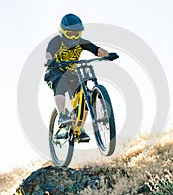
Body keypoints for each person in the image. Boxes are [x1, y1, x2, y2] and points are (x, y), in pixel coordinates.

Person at [44, 13, 118, 142]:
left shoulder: (81, 42)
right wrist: (51, 61)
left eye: (77, 34)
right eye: (70, 34)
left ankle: (78, 129)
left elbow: (96, 50)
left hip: (72, 74)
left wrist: (108, 55)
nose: (74, 37)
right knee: (60, 84)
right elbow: (49, 53)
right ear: (63, 32)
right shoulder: (56, 41)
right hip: (55, 71)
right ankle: (62, 115)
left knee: (84, 96)